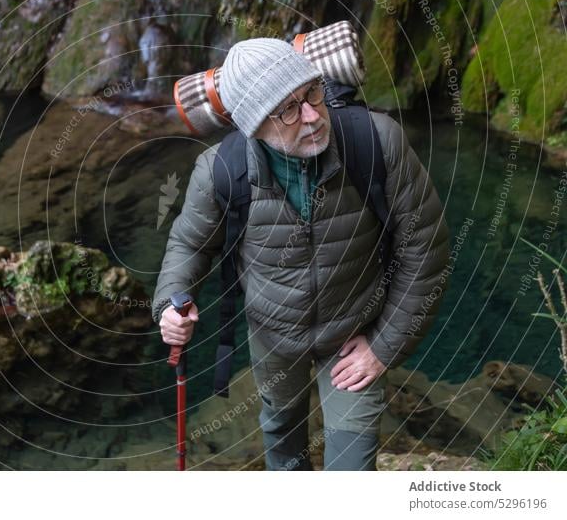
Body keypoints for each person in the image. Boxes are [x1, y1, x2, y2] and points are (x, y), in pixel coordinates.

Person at [151, 38, 451, 471]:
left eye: (312, 94)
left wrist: (383, 347)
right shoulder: (221, 171)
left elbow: (426, 251)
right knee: (283, 444)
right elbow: (189, 245)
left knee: (350, 471)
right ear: (255, 126)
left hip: (353, 333)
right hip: (273, 337)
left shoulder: (375, 142)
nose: (311, 116)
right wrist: (170, 302)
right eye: (288, 110)